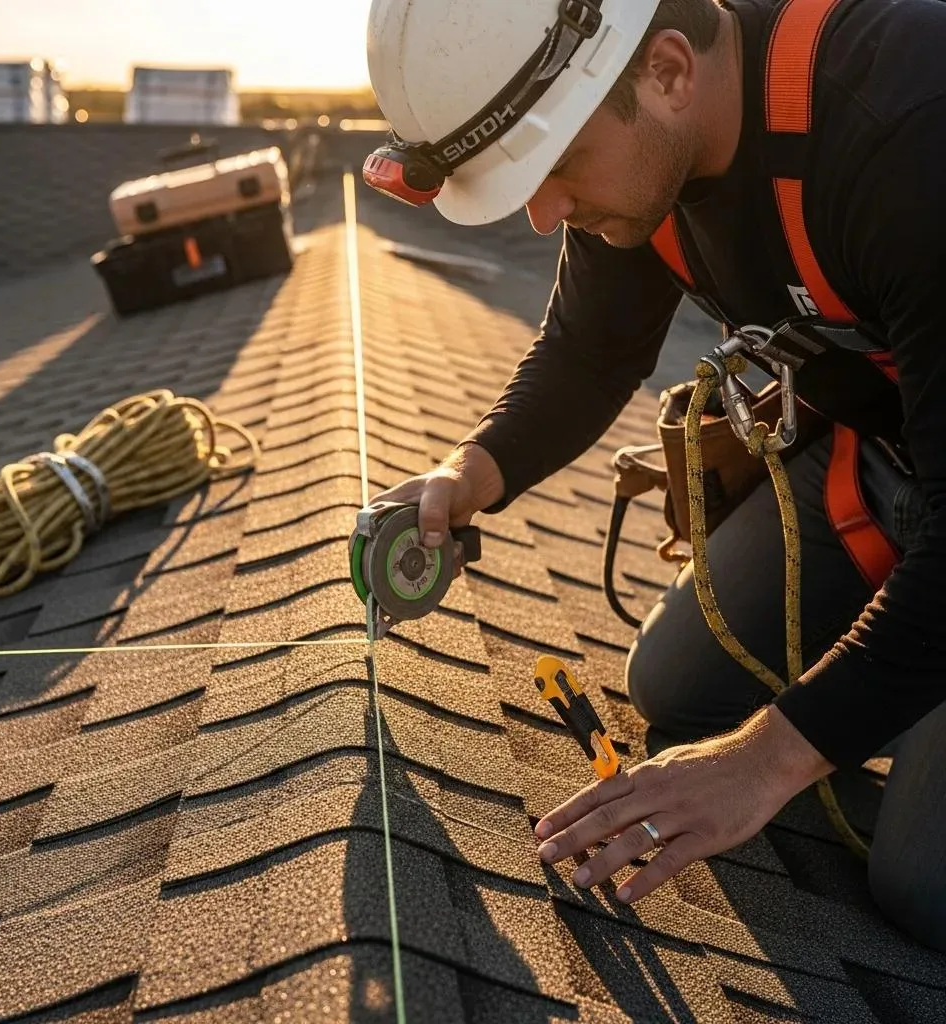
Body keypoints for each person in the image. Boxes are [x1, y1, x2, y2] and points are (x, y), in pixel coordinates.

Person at [363, 0, 946, 952]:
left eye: (552, 168)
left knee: (927, 885)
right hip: (885, 465)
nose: (545, 212)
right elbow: (592, 348)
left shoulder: (910, 124)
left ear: (669, 72)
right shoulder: (652, 144)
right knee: (679, 693)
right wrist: (468, 474)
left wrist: (765, 763)